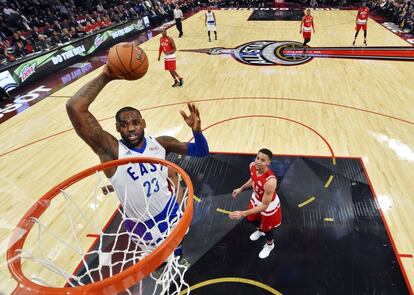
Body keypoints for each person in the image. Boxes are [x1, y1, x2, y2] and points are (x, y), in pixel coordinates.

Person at [66, 65, 209, 259]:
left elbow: (201, 151)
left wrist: (197, 131)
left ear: (143, 123)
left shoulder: (161, 143)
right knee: (157, 261)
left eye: (135, 122)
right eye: (124, 125)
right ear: (117, 128)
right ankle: (161, 268)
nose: (131, 128)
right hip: (141, 226)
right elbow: (74, 107)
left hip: (170, 211)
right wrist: (106, 76)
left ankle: (179, 256)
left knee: (177, 248)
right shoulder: (112, 152)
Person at [229, 149, 281, 259]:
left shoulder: (270, 181)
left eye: (262, 160)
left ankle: (270, 244)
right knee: (251, 219)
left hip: (268, 205)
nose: (258, 161)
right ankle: (260, 231)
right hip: (257, 198)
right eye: (257, 158)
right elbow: (253, 179)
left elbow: (264, 205)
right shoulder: (252, 166)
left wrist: (242, 213)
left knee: (268, 229)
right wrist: (241, 188)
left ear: (268, 163)